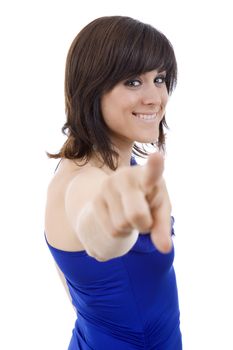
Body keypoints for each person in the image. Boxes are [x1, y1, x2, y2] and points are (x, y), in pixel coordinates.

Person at [44, 15, 182, 349]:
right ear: (92, 88)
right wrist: (111, 229)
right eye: (133, 82)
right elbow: (96, 228)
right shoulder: (84, 181)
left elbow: (77, 283)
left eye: (159, 79)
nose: (154, 98)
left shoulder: (117, 164)